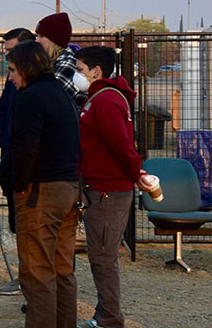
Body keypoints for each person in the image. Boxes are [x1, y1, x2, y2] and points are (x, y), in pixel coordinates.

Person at [0, 41, 81, 328]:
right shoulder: (61, 92)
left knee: (37, 273)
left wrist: (17, 185)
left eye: (12, 70)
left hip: (41, 191)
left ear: (27, 68)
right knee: (61, 270)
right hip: (69, 188)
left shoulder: (30, 97)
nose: (10, 77)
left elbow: (25, 148)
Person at [75, 45, 140, 328]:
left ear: (95, 71)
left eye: (79, 70)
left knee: (103, 257)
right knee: (102, 256)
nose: (76, 76)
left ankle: (109, 318)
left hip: (107, 190)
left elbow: (121, 146)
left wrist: (135, 172)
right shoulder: (102, 97)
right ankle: (106, 315)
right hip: (103, 187)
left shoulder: (104, 101)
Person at [0, 27, 36, 296]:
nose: (7, 57)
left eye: (11, 50)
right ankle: (25, 277)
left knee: (30, 226)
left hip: (26, 167)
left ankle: (33, 280)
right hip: (10, 159)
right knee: (18, 225)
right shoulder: (12, 82)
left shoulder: (32, 86)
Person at [35, 12, 89, 105]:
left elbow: (45, 99)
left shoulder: (67, 65)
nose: (37, 40)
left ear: (54, 41)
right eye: (37, 36)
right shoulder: (55, 62)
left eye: (42, 36)